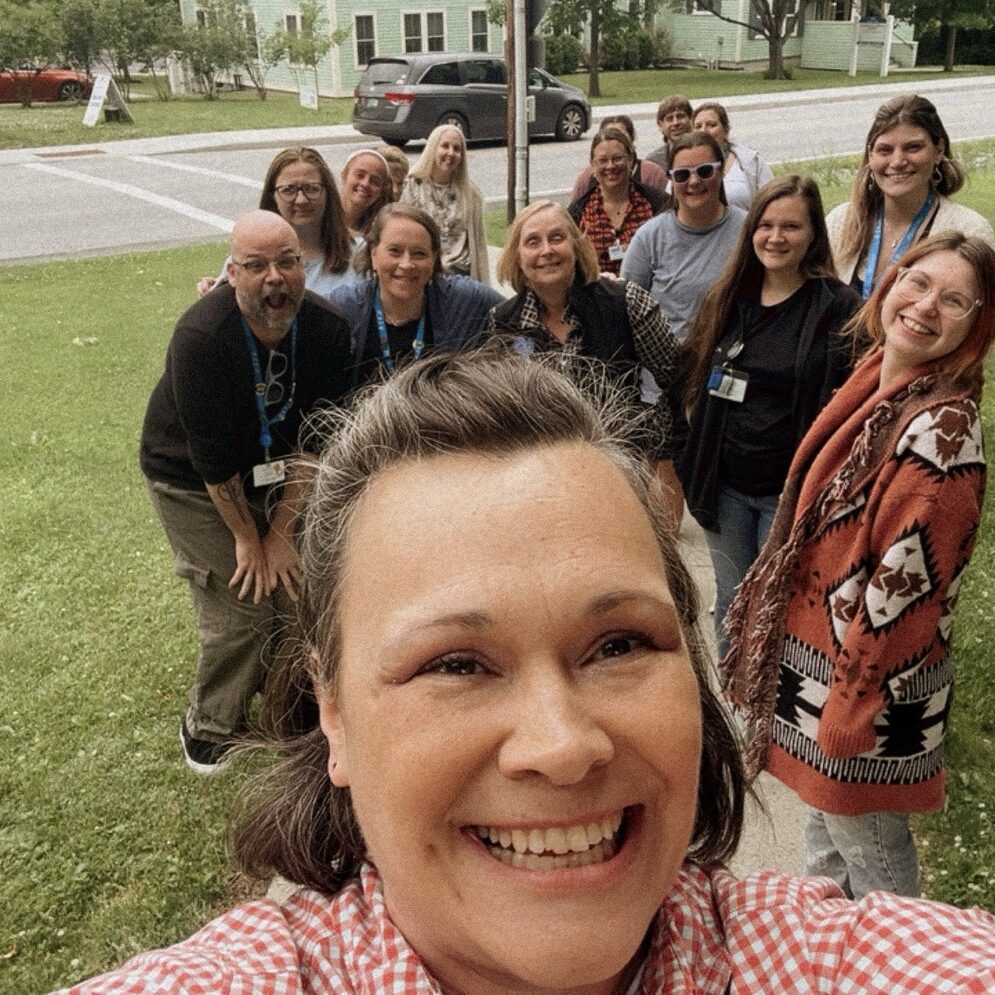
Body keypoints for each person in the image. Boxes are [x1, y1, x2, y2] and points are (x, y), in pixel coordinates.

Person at [65, 351, 995, 994]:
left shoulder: (840, 963)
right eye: (456, 663)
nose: (562, 745)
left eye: (620, 644)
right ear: (333, 714)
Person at [721, 232, 995, 900]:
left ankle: (893, 959)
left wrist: (851, 704)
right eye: (917, 282)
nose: (925, 306)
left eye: (953, 300)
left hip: (869, 691)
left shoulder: (942, 432)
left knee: (871, 854)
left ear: (976, 326)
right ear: (889, 282)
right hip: (831, 674)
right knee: (826, 835)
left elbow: (905, 593)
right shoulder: (876, 380)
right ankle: (828, 950)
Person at [140, 210, 353, 774]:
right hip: (190, 479)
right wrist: (247, 538)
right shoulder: (200, 339)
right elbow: (212, 464)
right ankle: (208, 726)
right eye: (256, 266)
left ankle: (290, 713)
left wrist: (280, 533)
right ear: (232, 274)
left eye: (286, 261)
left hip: (282, 475)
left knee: (298, 595)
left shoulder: (329, 329)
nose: (274, 278)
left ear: (302, 266)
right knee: (243, 609)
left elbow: (316, 443)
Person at [678, 175, 862, 654]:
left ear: (813, 235)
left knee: (777, 608)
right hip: (727, 489)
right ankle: (735, 715)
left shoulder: (837, 309)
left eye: (791, 227)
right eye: (765, 225)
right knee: (731, 602)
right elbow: (688, 374)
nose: (776, 238)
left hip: (791, 494)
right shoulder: (727, 299)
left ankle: (772, 716)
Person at [487, 200, 683, 521]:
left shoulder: (624, 303)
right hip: (540, 485)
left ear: (576, 247)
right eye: (532, 242)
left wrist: (656, 449)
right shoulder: (501, 323)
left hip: (617, 479)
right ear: (517, 257)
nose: (546, 250)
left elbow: (678, 379)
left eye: (557, 238)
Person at [826, 94, 995, 298]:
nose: (897, 161)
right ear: (870, 155)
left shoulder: (969, 230)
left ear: (938, 150)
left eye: (913, 148)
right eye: (884, 150)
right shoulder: (839, 222)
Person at [328, 202, 502, 389]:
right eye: (395, 251)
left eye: (419, 254)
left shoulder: (464, 299)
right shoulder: (344, 308)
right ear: (374, 254)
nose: (406, 264)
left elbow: (517, 315)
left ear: (434, 259)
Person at [622, 131, 747, 343]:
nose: (694, 181)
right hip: (671, 367)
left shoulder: (748, 230)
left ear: (721, 170)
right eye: (682, 175)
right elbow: (626, 309)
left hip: (733, 363)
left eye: (705, 171)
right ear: (670, 178)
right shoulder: (649, 238)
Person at [195, 147, 358, 298]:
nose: (301, 199)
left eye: (312, 188)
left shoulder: (361, 257)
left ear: (327, 193)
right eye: (288, 190)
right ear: (272, 197)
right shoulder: (245, 259)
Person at [568, 126, 667, 277]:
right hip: (597, 295)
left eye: (617, 158)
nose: (610, 166)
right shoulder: (578, 211)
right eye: (602, 160)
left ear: (631, 160)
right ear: (592, 165)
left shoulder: (657, 203)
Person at [401, 124, 489, 283]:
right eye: (445, 146)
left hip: (462, 277)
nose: (451, 153)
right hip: (425, 277)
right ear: (432, 148)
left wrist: (483, 285)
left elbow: (479, 246)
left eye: (457, 149)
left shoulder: (470, 193)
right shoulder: (411, 186)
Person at [692, 101, 773, 211]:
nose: (704, 131)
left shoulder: (751, 161)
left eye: (711, 125)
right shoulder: (682, 165)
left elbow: (772, 202)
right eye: (698, 126)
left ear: (726, 130)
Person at [568, 114, 669, 203]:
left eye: (621, 136)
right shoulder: (586, 178)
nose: (610, 166)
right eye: (609, 135)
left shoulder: (652, 174)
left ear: (632, 137)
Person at [340, 147, 392, 238]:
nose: (365, 184)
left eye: (375, 181)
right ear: (344, 176)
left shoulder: (378, 231)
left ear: (381, 191)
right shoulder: (320, 217)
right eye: (360, 175)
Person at [644, 93, 693, 173]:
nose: (676, 123)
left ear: (691, 119)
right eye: (669, 119)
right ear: (661, 126)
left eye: (680, 116)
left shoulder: (706, 153)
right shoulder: (654, 163)